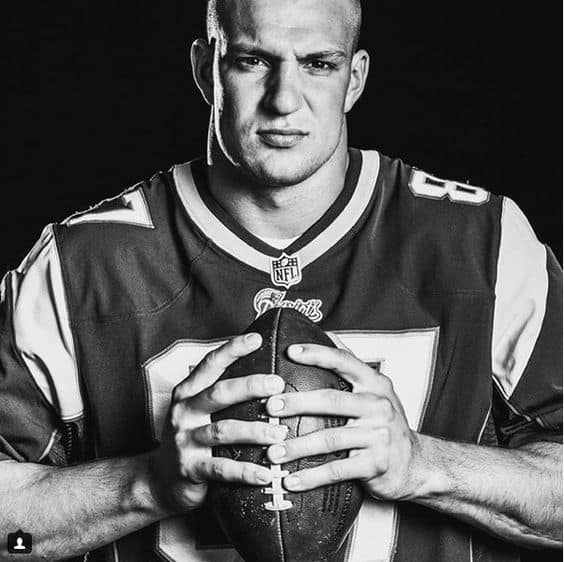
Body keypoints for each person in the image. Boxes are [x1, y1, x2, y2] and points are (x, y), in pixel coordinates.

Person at [0, 0, 561, 561]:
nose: (284, 99)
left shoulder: (482, 242)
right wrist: (147, 483)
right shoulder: (80, 265)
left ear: (355, 78)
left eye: (318, 63)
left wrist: (423, 465)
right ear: (205, 69)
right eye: (253, 60)